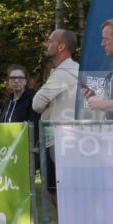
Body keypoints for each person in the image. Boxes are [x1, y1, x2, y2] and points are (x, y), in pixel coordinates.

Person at [32, 28, 80, 194]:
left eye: (50, 40)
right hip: (76, 139)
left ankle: (68, 221)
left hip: (56, 140)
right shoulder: (79, 69)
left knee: (55, 192)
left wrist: (49, 102)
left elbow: (37, 104)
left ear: (61, 47)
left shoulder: (61, 74)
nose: (46, 44)